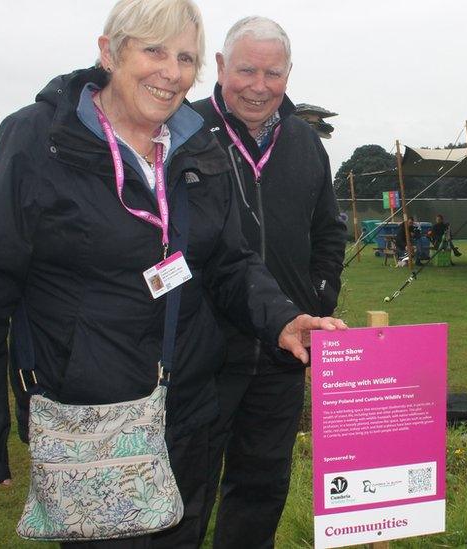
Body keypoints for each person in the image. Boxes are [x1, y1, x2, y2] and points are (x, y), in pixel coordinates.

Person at [0, 2, 344, 547]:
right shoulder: (39, 138)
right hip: (95, 418)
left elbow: (229, 262)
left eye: (185, 57)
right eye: (153, 50)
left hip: (188, 408)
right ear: (109, 51)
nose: (172, 70)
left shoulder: (193, 145)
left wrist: (283, 319)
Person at [191, 16, 346, 548]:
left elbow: (329, 229)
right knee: (185, 488)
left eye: (272, 73)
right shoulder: (184, 131)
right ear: (219, 67)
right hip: (204, 351)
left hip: (285, 351)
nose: (259, 86)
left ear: (288, 74)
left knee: (261, 486)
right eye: (247, 70)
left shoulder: (304, 141)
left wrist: (318, 296)